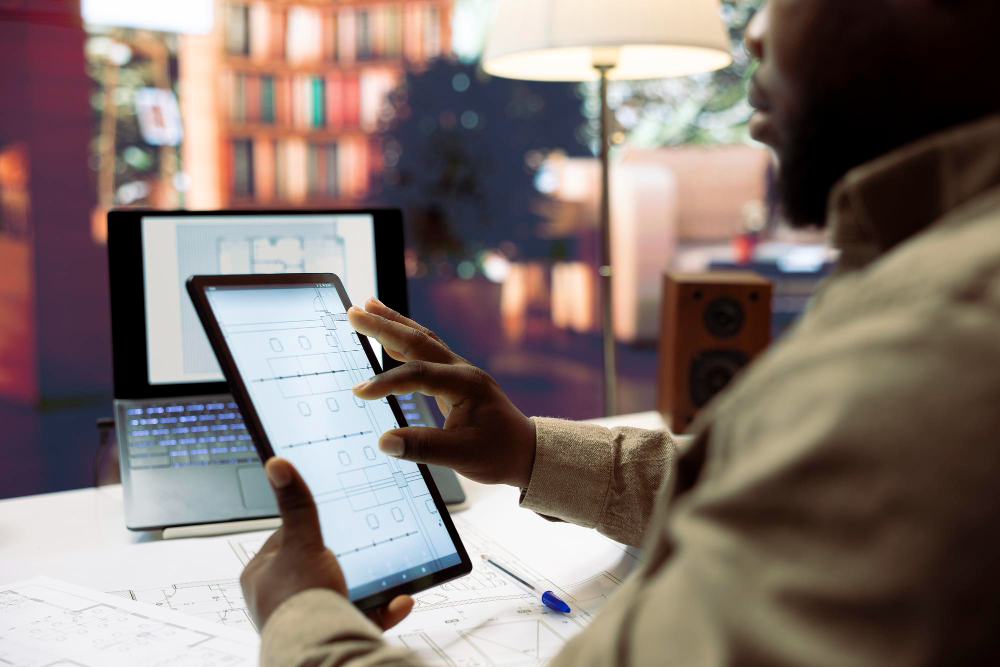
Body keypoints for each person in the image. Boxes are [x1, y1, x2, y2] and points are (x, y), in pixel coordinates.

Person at [242, 0, 1000, 664]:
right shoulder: (933, 282)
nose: (755, 31)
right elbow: (808, 496)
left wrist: (299, 618)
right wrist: (529, 450)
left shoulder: (935, 341)